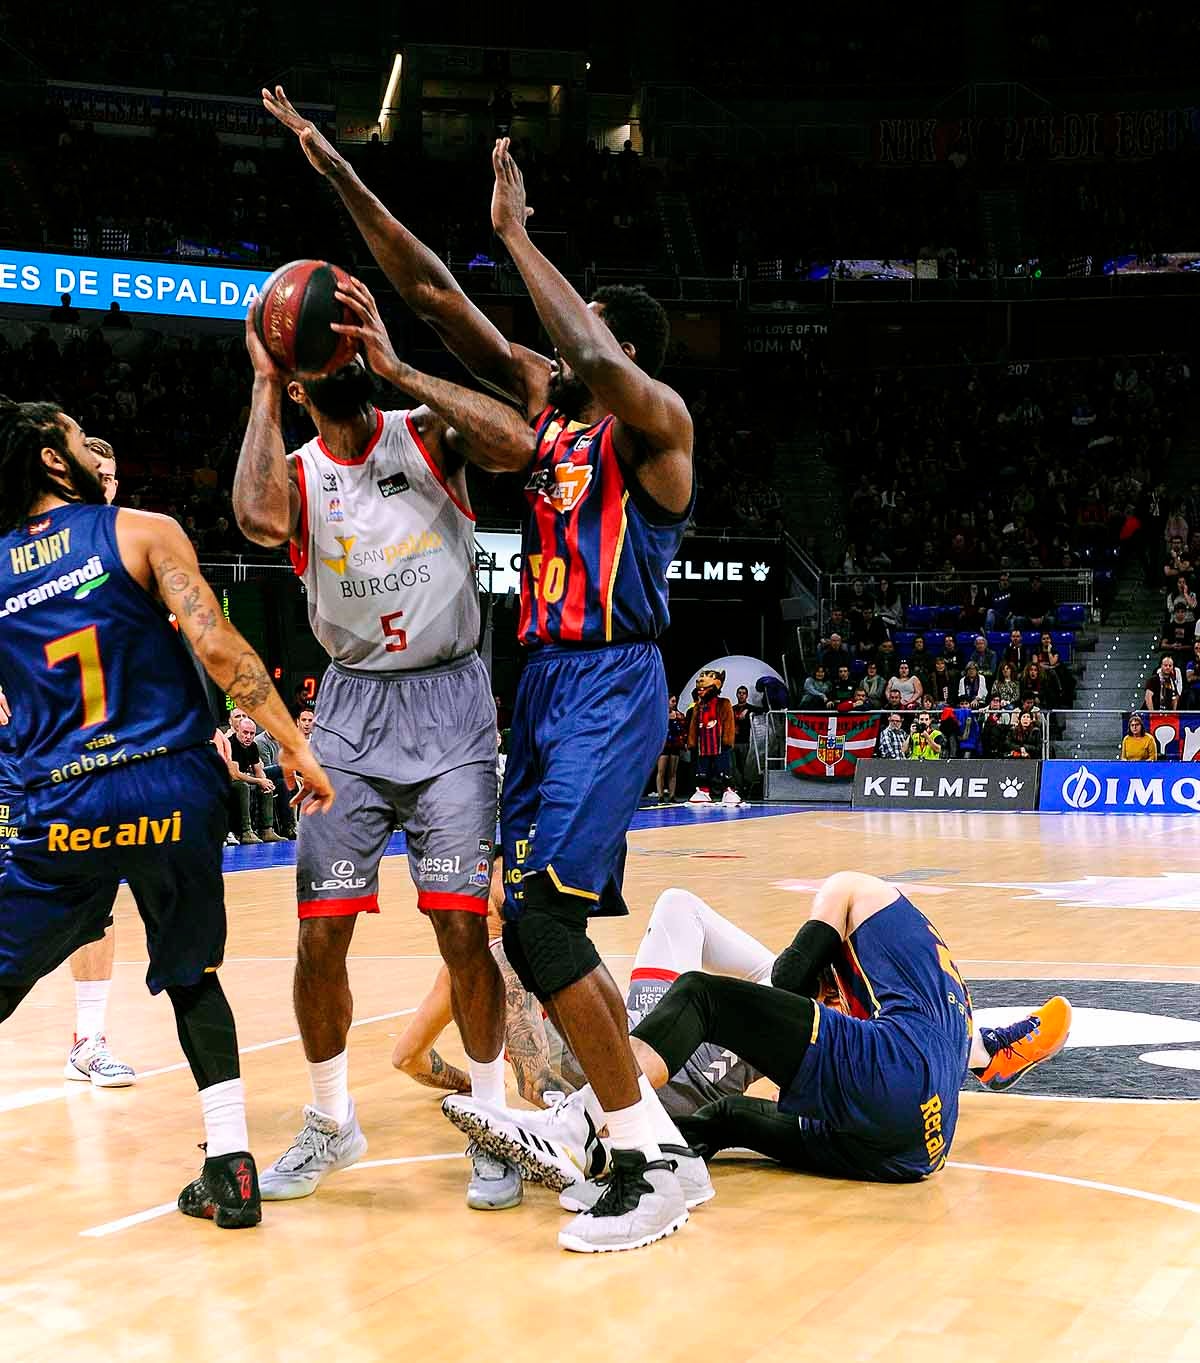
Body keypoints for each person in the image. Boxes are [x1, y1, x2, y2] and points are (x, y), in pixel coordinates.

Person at [265, 91, 699, 1249]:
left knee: (542, 937)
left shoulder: (656, 432)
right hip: (543, 687)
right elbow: (425, 295)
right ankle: (642, 1135)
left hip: (612, 681)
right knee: (539, 932)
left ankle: (645, 1159)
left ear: (625, 347)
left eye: (586, 325)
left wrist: (518, 238)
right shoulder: (551, 411)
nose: (560, 338)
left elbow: (594, 350)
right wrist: (335, 172)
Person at [233, 281, 536, 1212]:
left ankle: (494, 1121)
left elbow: (519, 443)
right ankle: (331, 1119)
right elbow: (254, 518)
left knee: (458, 924)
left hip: (449, 705)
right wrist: (262, 379)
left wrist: (400, 362)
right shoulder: (296, 470)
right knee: (319, 932)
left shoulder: (427, 433)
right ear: (297, 382)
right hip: (353, 714)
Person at [0, 395, 333, 1229]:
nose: (87, 447)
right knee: (193, 974)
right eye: (77, 437)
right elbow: (219, 646)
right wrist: (295, 746)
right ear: (50, 457)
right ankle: (231, 1166)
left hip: (63, 799)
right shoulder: (143, 530)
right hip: (171, 788)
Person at [463, 873, 1070, 1197]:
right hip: (918, 1152)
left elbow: (788, 981)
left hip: (663, 1060)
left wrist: (491, 939)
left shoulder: (852, 889)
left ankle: (579, 1127)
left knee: (700, 992)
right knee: (730, 1115)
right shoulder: (935, 979)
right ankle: (989, 1049)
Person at [226, 714, 284, 844]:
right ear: (237, 731)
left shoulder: (252, 746)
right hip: (227, 781)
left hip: (242, 779)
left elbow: (258, 771)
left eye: (252, 733)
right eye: (245, 733)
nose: (248, 736)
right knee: (242, 786)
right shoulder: (231, 743)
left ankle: (266, 830)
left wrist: (265, 782)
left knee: (266, 785)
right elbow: (235, 774)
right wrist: (259, 781)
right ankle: (245, 831)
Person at [687, 668, 739, 805]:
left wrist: (728, 739)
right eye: (702, 676)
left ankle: (728, 790)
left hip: (720, 743)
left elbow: (729, 722)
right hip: (703, 744)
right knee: (702, 769)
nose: (701, 680)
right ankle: (703, 790)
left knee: (723, 767)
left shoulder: (724, 703)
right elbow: (693, 724)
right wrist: (691, 741)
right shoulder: (698, 706)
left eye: (708, 677)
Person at [653, 694, 686, 803]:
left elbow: (683, 731)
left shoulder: (679, 716)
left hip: (675, 745)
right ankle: (660, 795)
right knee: (661, 771)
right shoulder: (660, 715)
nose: (674, 703)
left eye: (675, 701)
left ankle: (672, 796)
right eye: (672, 701)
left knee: (672, 772)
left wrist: (683, 743)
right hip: (663, 746)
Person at [730, 685, 754, 796]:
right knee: (734, 767)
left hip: (744, 741)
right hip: (733, 741)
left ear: (747, 695)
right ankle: (737, 787)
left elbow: (762, 709)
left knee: (744, 766)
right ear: (737, 694)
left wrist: (748, 710)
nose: (741, 695)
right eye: (739, 693)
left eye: (743, 693)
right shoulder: (732, 709)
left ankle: (746, 787)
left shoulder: (749, 708)